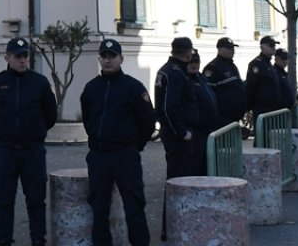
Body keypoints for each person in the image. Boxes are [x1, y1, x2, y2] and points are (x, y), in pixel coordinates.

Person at [0, 37, 56, 246]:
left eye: (26, 56)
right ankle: (4, 240)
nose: (23, 60)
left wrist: (38, 131)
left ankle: (38, 240)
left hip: (32, 149)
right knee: (4, 199)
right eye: (18, 56)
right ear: (7, 57)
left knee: (36, 199)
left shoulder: (40, 83)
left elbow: (50, 114)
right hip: (5, 150)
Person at [81, 39, 154, 246]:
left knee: (134, 207)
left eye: (112, 56)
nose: (108, 60)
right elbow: (88, 119)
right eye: (104, 56)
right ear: (99, 59)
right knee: (99, 208)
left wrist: (134, 145)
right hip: (99, 155)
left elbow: (147, 121)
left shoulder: (133, 87)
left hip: (125, 155)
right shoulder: (91, 88)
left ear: (121, 58)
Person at [154, 37, 199, 242]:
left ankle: (173, 226)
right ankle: (174, 226)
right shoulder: (176, 73)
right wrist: (182, 133)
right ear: (188, 53)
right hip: (178, 138)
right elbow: (169, 108)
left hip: (173, 134)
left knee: (177, 181)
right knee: (179, 181)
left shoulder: (168, 70)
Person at [187, 52, 220, 177]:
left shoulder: (201, 78)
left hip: (207, 130)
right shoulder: (185, 79)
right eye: (191, 61)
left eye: (196, 61)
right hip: (196, 131)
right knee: (194, 169)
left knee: (206, 167)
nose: (194, 64)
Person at [203, 38, 244, 127]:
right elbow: (208, 94)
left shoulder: (232, 65)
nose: (232, 50)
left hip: (235, 115)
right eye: (229, 48)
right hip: (222, 116)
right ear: (220, 49)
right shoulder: (213, 67)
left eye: (233, 48)